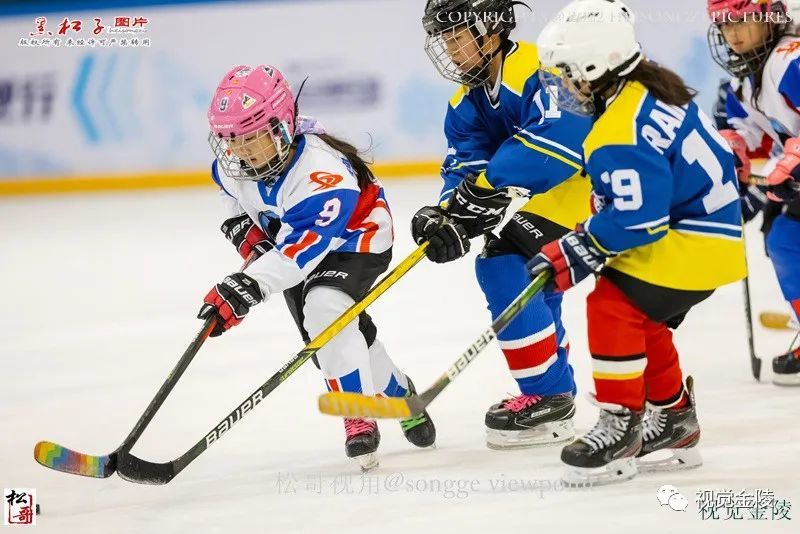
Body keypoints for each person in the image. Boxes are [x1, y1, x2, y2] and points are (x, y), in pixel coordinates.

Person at [531, 0, 746, 484]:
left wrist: (577, 247)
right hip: (714, 234)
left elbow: (639, 218)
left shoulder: (616, 130)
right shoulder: (651, 86)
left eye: (566, 72)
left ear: (593, 66)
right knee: (639, 311)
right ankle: (673, 418)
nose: (562, 84)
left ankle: (620, 421)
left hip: (692, 241)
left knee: (611, 303)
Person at [198, 64, 436, 469]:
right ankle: (401, 395)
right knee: (335, 336)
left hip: (356, 238)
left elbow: (297, 256)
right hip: (294, 244)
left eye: (251, 136)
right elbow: (231, 194)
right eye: (231, 139)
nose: (241, 151)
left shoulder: (320, 174)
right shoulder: (232, 164)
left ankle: (358, 413)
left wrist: (245, 286)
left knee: (324, 308)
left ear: (281, 127)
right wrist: (241, 227)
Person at [412, 0, 593, 449]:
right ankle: (553, 390)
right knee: (519, 267)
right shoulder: (465, 102)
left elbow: (560, 143)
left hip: (606, 181)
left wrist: (490, 185)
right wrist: (449, 214)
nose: (450, 50)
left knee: (506, 262)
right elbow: (464, 164)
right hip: (565, 191)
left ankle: (549, 395)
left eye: (457, 37)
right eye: (445, 40)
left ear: (491, 31)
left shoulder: (543, 66)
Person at [708, 0, 800, 385]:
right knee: (783, 240)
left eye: (742, 20)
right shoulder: (745, 78)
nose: (733, 33)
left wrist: (793, 160)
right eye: (725, 24)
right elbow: (746, 133)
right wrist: (733, 155)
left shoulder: (788, 60)